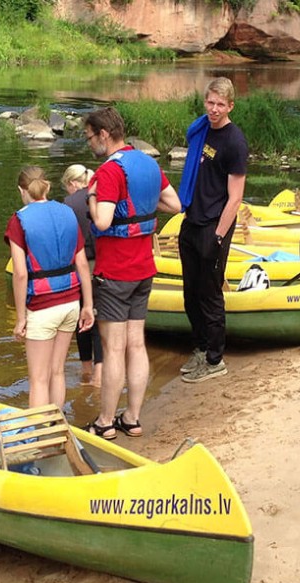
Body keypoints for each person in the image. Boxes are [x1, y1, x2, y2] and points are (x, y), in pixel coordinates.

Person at [83, 107, 181, 439]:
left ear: (104, 135)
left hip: (115, 272)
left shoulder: (109, 172)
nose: (89, 144)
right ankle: (133, 418)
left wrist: (93, 196)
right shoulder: (149, 163)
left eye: (89, 137)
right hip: (143, 269)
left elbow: (102, 222)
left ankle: (106, 422)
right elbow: (175, 204)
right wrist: (144, 208)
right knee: (136, 344)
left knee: (113, 350)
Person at [5, 166, 94, 409]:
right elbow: (82, 264)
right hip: (70, 304)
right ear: (47, 186)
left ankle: (42, 441)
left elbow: (21, 274)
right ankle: (58, 426)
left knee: (38, 380)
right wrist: (88, 305)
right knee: (57, 372)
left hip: (42, 307)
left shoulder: (19, 220)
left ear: (22, 190)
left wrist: (21, 318)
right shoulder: (67, 212)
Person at [178, 77, 248, 383]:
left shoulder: (234, 142)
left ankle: (215, 359)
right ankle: (201, 347)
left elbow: (235, 198)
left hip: (213, 227)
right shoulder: (201, 129)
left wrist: (218, 235)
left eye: (220, 104)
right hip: (192, 219)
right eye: (210, 102)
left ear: (230, 105)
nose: (214, 109)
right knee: (190, 293)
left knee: (209, 294)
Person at [61, 164, 102, 388]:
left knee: (83, 321)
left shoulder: (68, 204)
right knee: (100, 320)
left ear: (72, 183)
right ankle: (100, 373)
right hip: (105, 265)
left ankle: (87, 370)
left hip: (81, 265)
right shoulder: (101, 195)